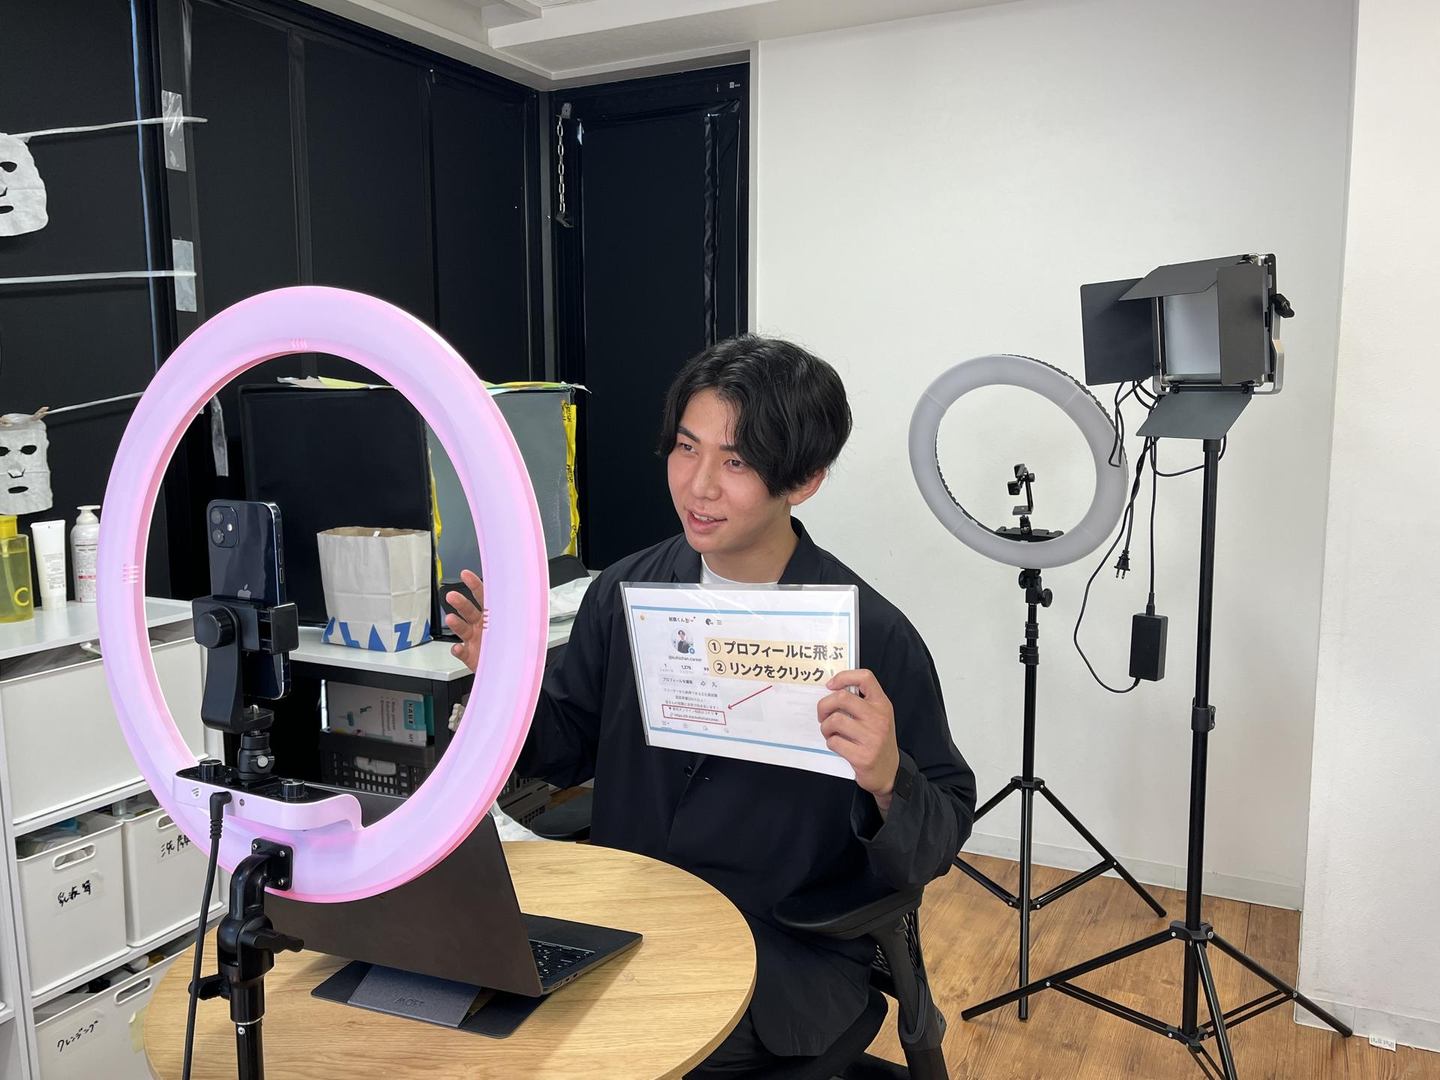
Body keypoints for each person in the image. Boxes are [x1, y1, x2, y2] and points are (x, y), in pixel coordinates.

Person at [447, 335, 976, 1075]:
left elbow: (941, 830)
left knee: (601, 1056)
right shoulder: (624, 592)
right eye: (686, 449)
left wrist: (890, 779)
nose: (698, 486)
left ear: (805, 479)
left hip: (782, 954)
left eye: (737, 462)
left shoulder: (870, 635)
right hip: (629, 918)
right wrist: (505, 682)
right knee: (462, 1013)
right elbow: (562, 749)